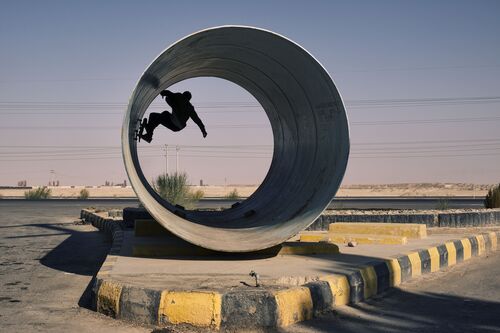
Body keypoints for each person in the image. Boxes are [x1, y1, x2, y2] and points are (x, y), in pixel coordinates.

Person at [140, 90, 207, 143]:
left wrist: (162, 92)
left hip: (174, 123)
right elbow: (198, 120)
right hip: (178, 127)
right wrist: (203, 131)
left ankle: (149, 134)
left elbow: (169, 93)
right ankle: (149, 132)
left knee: (153, 115)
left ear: (183, 95)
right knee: (164, 114)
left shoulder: (179, 96)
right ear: (189, 99)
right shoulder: (190, 108)